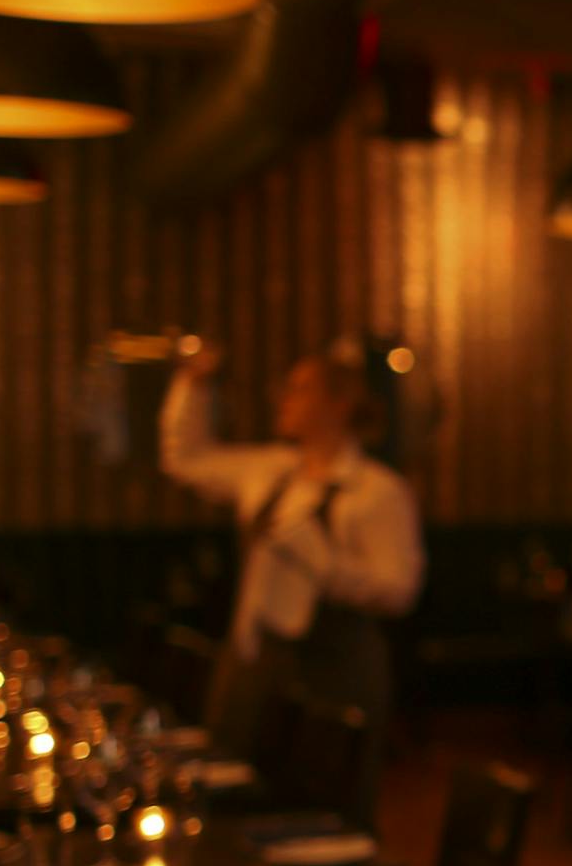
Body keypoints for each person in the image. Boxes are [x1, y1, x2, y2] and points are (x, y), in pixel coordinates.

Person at [160, 340, 425, 818]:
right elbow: (186, 459)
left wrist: (326, 566)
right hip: (254, 666)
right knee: (238, 799)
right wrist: (193, 385)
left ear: (338, 404)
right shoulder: (269, 471)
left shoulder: (377, 491)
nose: (284, 398)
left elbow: (399, 590)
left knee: (326, 811)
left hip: (335, 677)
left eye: (300, 389)